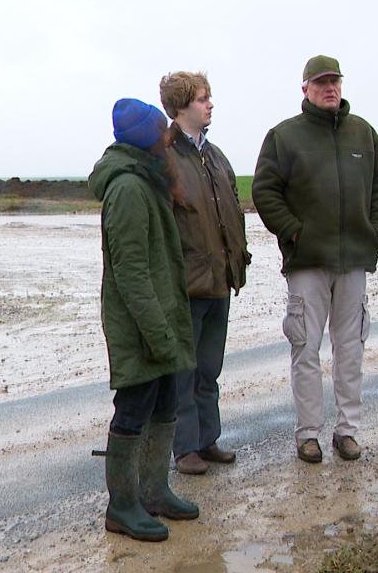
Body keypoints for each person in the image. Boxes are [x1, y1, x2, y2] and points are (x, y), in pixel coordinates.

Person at [252, 55, 378, 463]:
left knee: (351, 349)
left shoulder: (363, 134)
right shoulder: (284, 137)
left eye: (335, 81)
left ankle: (347, 431)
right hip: (308, 263)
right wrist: (294, 231)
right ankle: (308, 433)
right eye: (321, 82)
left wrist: (377, 229)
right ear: (305, 89)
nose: (330, 88)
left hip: (353, 263)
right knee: (305, 348)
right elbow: (265, 191)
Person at [88, 98, 199, 541]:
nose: (169, 139)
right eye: (162, 133)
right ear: (146, 139)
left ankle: (155, 492)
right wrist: (157, 334)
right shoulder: (129, 189)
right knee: (133, 410)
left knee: (165, 403)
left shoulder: (148, 179)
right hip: (140, 326)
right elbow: (131, 273)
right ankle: (123, 505)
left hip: (161, 319)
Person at [159, 71, 250, 475]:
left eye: (209, 98)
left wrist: (238, 259)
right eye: (202, 99)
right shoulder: (164, 158)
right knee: (185, 370)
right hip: (186, 284)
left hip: (219, 280)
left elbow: (230, 212)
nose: (210, 104)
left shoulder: (215, 157)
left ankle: (207, 439)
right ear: (181, 107)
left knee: (210, 367)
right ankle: (185, 448)